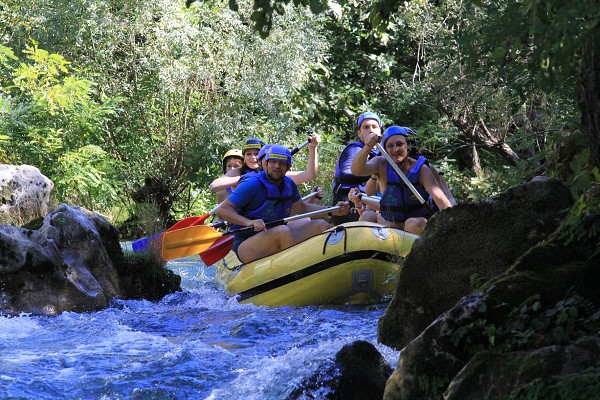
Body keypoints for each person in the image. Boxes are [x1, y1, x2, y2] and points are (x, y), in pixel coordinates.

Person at [217, 144, 349, 264]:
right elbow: (223, 210)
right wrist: (248, 222)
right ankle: (298, 266)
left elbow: (302, 208)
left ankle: (326, 263)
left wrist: (332, 210)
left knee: (321, 225)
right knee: (282, 231)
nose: (277, 166)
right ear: (265, 164)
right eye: (273, 162)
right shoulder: (252, 184)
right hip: (245, 243)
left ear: (288, 167)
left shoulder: (288, 184)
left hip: (276, 234)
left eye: (282, 163)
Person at [349, 125, 452, 235]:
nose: (395, 149)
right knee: (367, 216)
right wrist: (367, 147)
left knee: (412, 224)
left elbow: (442, 201)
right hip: (390, 224)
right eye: (390, 146)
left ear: (407, 145)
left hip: (415, 224)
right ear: (385, 149)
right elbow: (356, 170)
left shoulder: (422, 170)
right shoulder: (380, 164)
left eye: (399, 144)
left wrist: (452, 224)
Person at [331, 112, 382, 225]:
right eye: (366, 127)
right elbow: (345, 175)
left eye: (374, 127)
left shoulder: (383, 152)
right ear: (359, 133)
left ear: (380, 131)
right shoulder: (355, 149)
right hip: (348, 200)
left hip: (370, 201)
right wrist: (378, 173)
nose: (371, 130)